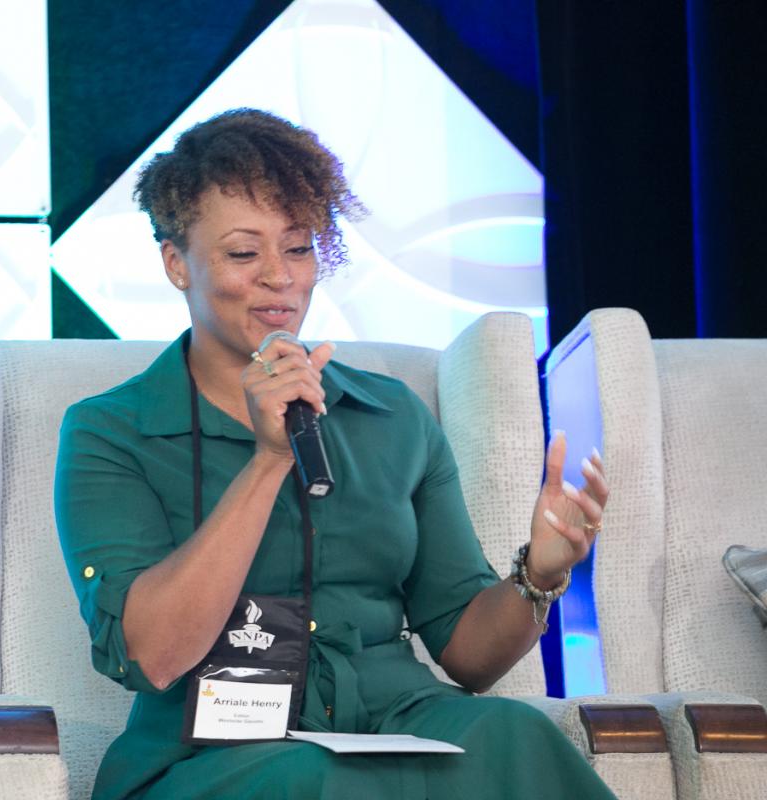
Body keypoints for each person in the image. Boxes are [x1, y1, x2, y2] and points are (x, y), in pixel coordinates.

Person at [54, 108, 613, 799]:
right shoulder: (110, 433)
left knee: (514, 733)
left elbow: (468, 655)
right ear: (176, 264)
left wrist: (541, 576)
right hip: (213, 752)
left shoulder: (393, 417)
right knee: (323, 780)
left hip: (398, 719)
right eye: (243, 253)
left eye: (298, 248)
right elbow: (154, 655)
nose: (279, 277)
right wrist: (268, 460)